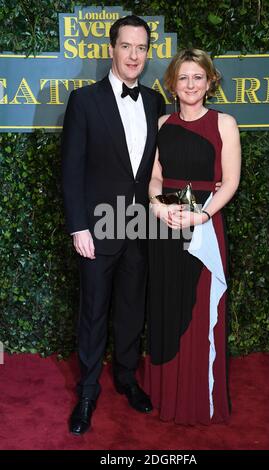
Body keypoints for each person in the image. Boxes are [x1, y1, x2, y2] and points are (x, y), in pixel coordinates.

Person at [62, 15, 165, 435]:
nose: (134, 55)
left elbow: (153, 170)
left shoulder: (156, 102)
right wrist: (78, 227)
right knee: (93, 313)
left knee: (130, 311)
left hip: (139, 225)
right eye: (127, 46)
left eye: (141, 48)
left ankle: (125, 378)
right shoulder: (84, 101)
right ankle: (87, 393)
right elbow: (71, 170)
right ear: (111, 49)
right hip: (97, 229)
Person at [143, 49, 241, 425]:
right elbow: (154, 175)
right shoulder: (163, 122)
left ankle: (198, 401)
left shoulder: (224, 123)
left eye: (197, 77)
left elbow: (230, 181)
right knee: (167, 307)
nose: (190, 84)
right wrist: (156, 204)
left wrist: (202, 215)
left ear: (209, 82)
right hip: (165, 225)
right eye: (183, 78)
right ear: (172, 83)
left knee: (200, 312)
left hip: (203, 230)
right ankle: (167, 395)